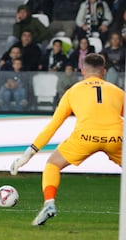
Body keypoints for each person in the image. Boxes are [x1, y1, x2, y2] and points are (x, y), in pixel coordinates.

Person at [10, 53, 124, 226]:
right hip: (117, 137)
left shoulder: (73, 91)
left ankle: (49, 204)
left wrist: (27, 156)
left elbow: (53, 126)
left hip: (85, 137)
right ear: (104, 71)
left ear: (82, 70)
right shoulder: (118, 92)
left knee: (53, 164)